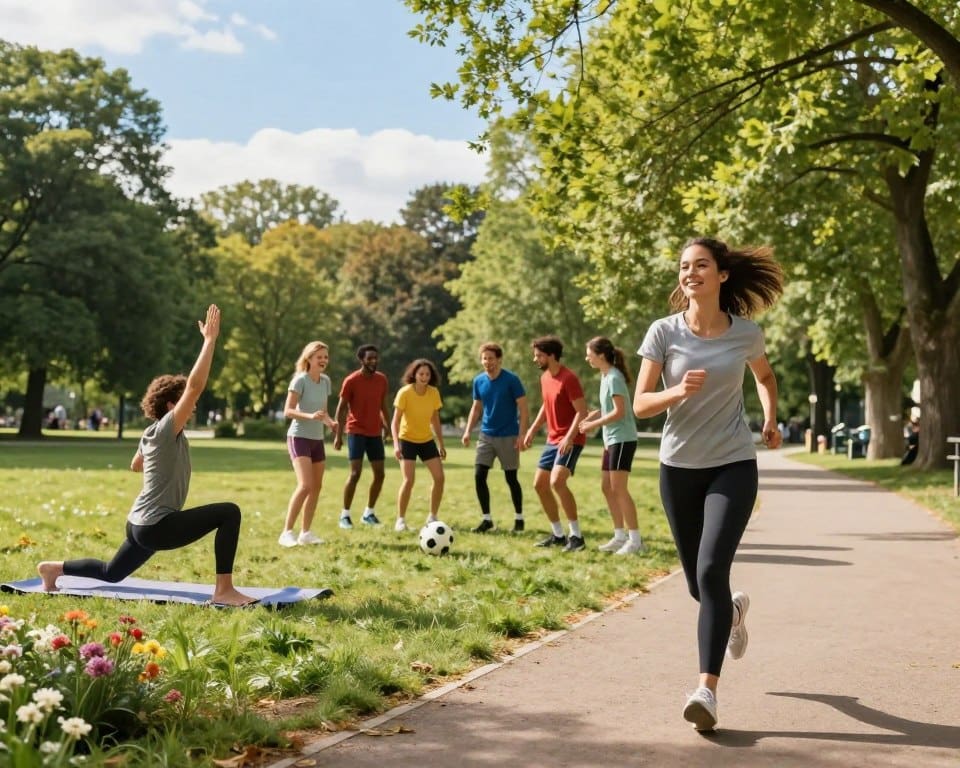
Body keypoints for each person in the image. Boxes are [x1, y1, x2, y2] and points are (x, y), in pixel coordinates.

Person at [633, 236, 783, 731]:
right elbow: (640, 404)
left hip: (732, 464)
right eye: (684, 266)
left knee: (713, 570)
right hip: (678, 467)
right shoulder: (663, 332)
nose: (690, 273)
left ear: (722, 275)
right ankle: (733, 616)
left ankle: (706, 691)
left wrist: (770, 418)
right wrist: (676, 391)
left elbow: (764, 377)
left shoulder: (746, 334)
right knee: (700, 585)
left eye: (701, 265)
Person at [37, 305, 256, 607]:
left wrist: (160, 467)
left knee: (112, 572)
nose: (193, 406)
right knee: (229, 512)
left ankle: (53, 569)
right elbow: (194, 387)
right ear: (171, 406)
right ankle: (224, 591)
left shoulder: (151, 433)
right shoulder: (166, 429)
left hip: (138, 523)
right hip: (156, 526)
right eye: (185, 403)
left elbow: (136, 465)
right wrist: (209, 341)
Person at [523, 336, 588, 552]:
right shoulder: (545, 378)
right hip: (552, 439)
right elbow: (546, 405)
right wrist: (532, 429)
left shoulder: (569, 378)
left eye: (539, 355)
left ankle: (576, 537)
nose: (535, 359)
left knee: (557, 482)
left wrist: (569, 437)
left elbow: (581, 412)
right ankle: (558, 535)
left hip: (571, 439)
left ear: (551, 355)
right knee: (539, 484)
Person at [579, 337, 643, 555]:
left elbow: (619, 412)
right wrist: (593, 416)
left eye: (589, 354)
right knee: (607, 487)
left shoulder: (614, 377)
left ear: (601, 355)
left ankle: (635, 540)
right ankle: (619, 536)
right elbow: (609, 408)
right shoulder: (605, 376)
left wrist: (594, 424)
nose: (587, 357)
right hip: (611, 440)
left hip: (622, 439)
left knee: (619, 489)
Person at [461, 343, 530, 533]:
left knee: (511, 478)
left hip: (509, 436)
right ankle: (487, 519)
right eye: (484, 358)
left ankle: (519, 518)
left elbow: (523, 408)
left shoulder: (511, 380)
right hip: (486, 435)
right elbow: (476, 408)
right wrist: (467, 431)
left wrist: (522, 434)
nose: (487, 362)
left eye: (491, 358)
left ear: (499, 359)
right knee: (479, 475)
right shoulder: (478, 381)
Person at [278, 341, 338, 548]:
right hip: (299, 437)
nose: (323, 360)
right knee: (305, 485)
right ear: (309, 358)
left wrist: (331, 423)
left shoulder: (325, 381)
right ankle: (286, 533)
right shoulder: (300, 380)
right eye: (319, 357)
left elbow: (323, 412)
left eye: (325, 357)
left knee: (316, 487)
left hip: (317, 439)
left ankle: (305, 533)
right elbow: (288, 411)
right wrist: (310, 416)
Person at [333, 344, 390, 528]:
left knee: (380, 474)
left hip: (374, 432)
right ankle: (344, 515)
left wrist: (388, 427)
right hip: (356, 431)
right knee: (355, 473)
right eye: (370, 358)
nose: (373, 361)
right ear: (361, 360)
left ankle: (369, 513)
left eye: (376, 358)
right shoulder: (351, 380)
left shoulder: (381, 379)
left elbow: (383, 405)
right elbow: (341, 409)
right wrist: (338, 435)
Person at [391, 358, 446, 532]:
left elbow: (435, 419)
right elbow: (395, 421)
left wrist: (441, 444)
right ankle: (400, 520)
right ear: (414, 374)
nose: (424, 377)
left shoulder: (433, 393)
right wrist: (396, 445)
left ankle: (433, 516)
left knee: (439, 478)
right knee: (409, 480)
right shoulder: (405, 392)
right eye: (421, 374)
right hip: (407, 440)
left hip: (426, 440)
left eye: (427, 374)